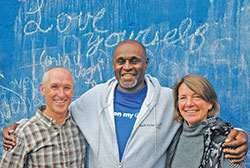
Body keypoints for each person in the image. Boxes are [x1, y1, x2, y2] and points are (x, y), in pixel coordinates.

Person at [2, 40, 249, 168]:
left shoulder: (167, 98)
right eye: (121, 61)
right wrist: (19, 126)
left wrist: (238, 134)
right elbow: (60, 111)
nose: (127, 67)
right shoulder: (95, 98)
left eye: (135, 60)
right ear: (113, 65)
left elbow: (198, 118)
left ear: (146, 64)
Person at [0, 67, 87, 167]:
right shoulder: (23, 134)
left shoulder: (81, 126)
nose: (61, 94)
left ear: (73, 91)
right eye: (54, 87)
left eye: (67, 88)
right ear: (42, 89)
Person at [166, 74, 245, 167]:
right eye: (183, 98)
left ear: (210, 103)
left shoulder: (226, 140)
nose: (189, 103)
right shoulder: (173, 134)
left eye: (197, 97)